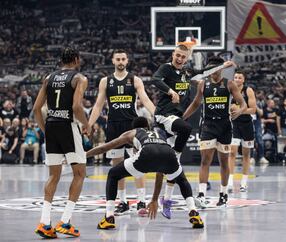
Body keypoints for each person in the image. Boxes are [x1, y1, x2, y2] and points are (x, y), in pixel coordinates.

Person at [152, 45, 234, 217]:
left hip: (176, 120)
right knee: (186, 129)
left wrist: (223, 66)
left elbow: (205, 71)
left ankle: (166, 199)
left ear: (187, 58)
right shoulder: (166, 68)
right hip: (164, 116)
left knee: (172, 167)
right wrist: (170, 91)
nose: (180, 59)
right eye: (178, 55)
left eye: (183, 56)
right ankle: (177, 157)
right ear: (173, 54)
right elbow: (155, 79)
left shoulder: (188, 73)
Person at [86, 117, 204, 229]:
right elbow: (160, 172)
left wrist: (84, 155)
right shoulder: (160, 132)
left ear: (134, 127)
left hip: (146, 153)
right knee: (182, 180)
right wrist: (154, 199)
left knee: (113, 174)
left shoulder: (131, 133)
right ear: (148, 126)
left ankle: (109, 217)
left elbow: (104, 148)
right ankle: (193, 212)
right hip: (169, 153)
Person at [88, 49, 155, 215]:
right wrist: (89, 123)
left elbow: (145, 99)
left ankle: (141, 201)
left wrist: (157, 115)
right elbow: (98, 105)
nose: (120, 62)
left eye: (123, 59)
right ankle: (123, 201)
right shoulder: (105, 81)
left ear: (127, 60)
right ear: (112, 61)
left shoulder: (134, 79)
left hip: (132, 126)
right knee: (117, 166)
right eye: (117, 59)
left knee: (138, 162)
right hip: (113, 125)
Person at [33, 47, 89, 239]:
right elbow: (76, 106)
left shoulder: (48, 77)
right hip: (68, 126)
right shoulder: (79, 78)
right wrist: (87, 124)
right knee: (80, 173)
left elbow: (36, 109)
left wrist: (45, 130)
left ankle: (44, 222)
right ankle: (65, 222)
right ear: (75, 59)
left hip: (51, 126)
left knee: (53, 176)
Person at [183, 57, 246, 207]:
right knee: (205, 161)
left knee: (224, 162)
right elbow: (196, 103)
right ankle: (202, 194)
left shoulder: (229, 84)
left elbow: (242, 103)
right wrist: (183, 117)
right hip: (208, 126)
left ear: (221, 68)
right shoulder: (203, 84)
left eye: (214, 67)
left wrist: (240, 110)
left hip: (224, 126)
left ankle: (223, 194)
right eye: (209, 67)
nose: (212, 70)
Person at [228, 70, 256, 193]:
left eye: (240, 77)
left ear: (243, 80)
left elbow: (253, 110)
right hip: (234, 123)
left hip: (247, 124)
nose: (237, 79)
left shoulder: (248, 91)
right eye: (235, 77)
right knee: (232, 151)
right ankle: (229, 180)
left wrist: (239, 110)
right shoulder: (230, 91)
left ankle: (244, 182)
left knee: (246, 154)